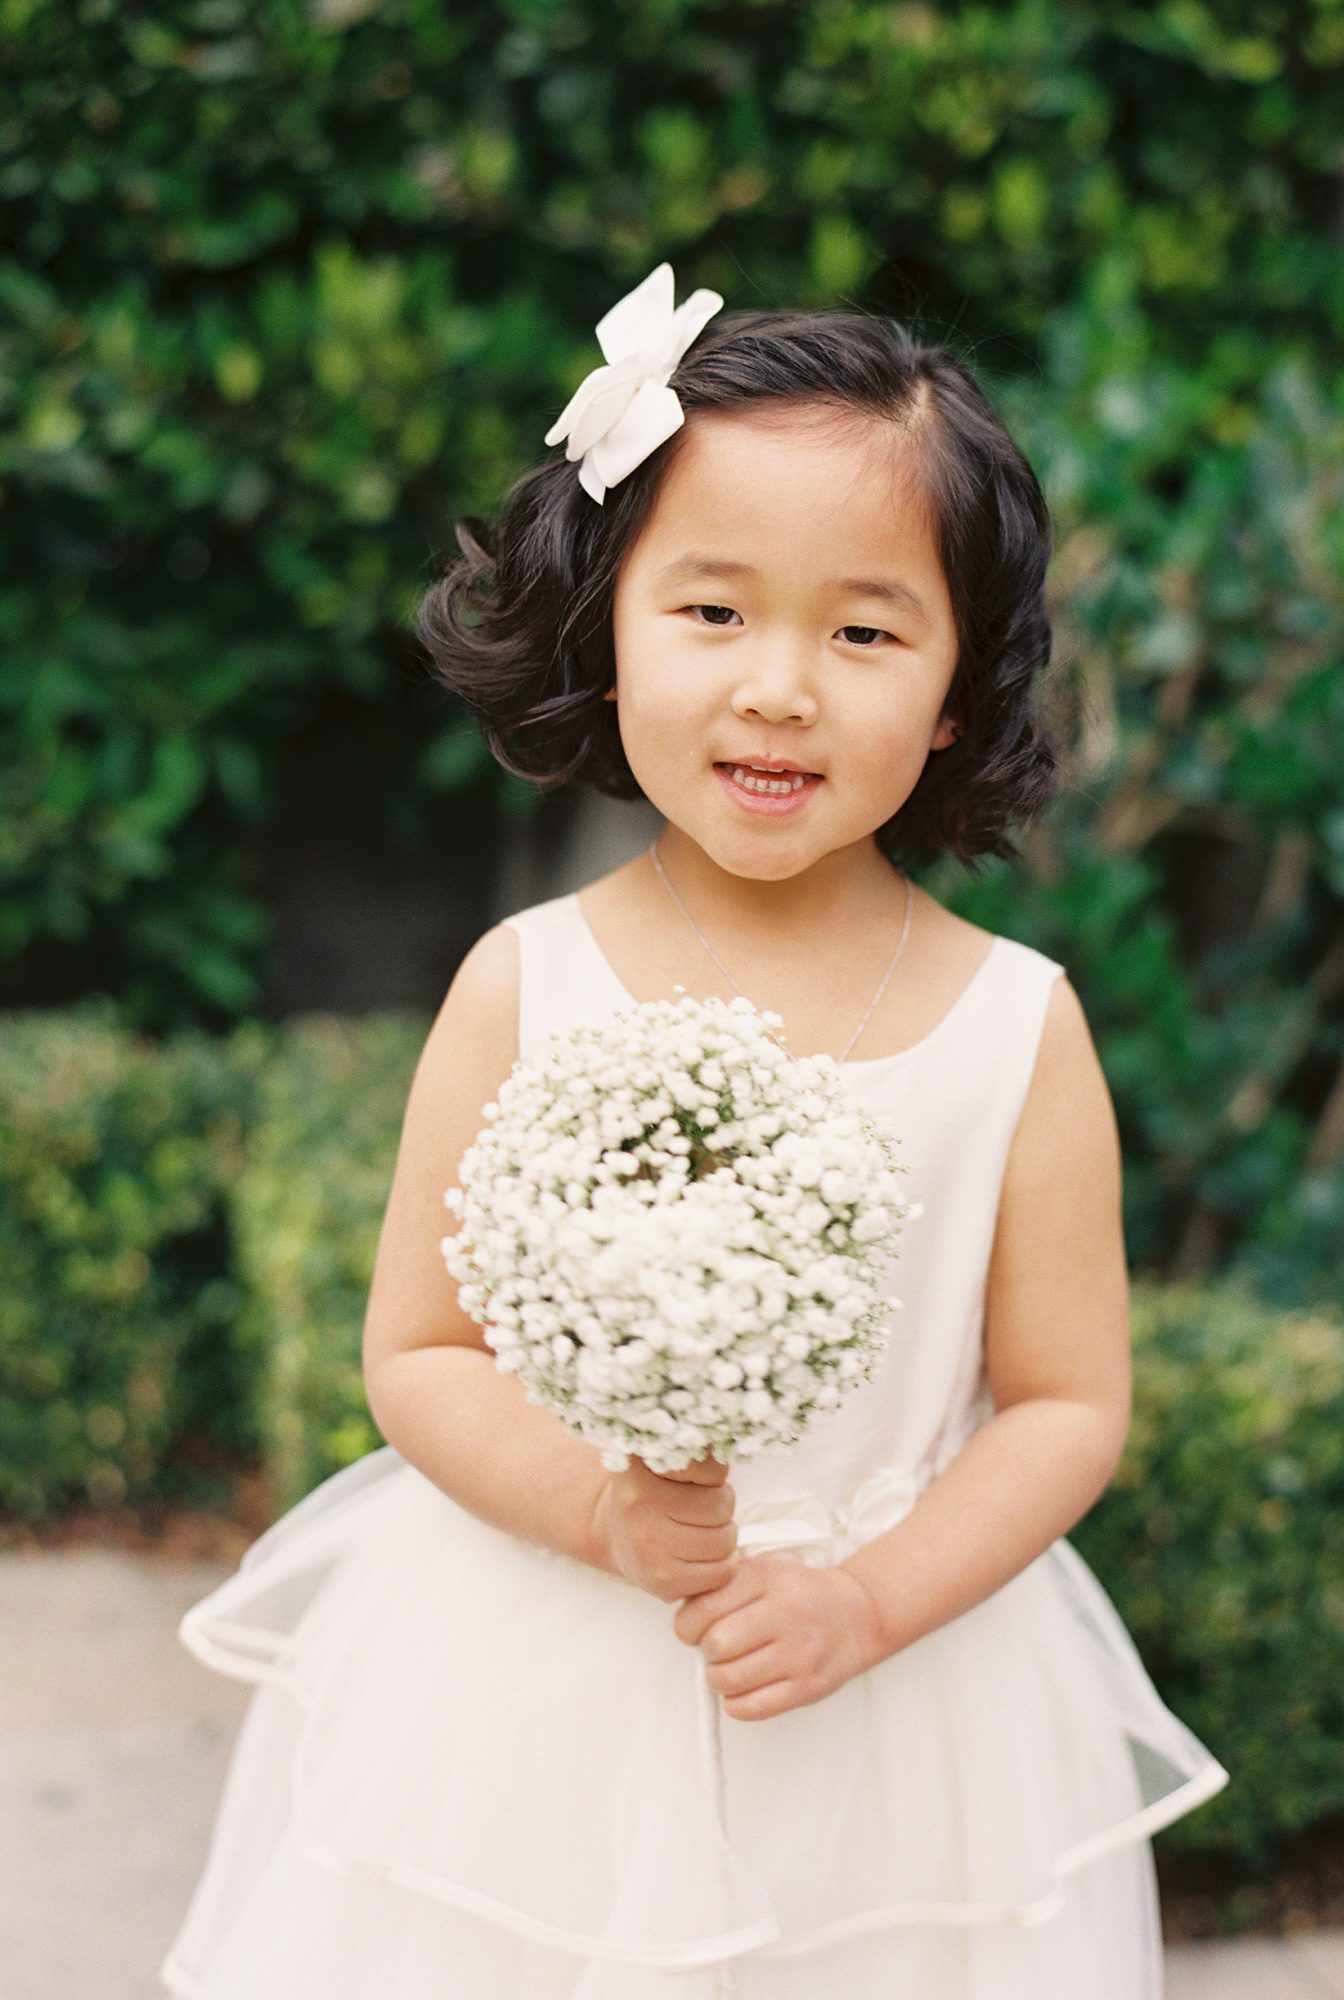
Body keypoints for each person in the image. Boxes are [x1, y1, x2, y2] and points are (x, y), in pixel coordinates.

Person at [161, 263, 1228, 2000]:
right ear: (607, 628)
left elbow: (1064, 1399)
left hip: (892, 1713)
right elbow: (421, 1351)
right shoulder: (527, 985)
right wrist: (599, 1514)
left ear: (959, 686)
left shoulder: (1013, 1027)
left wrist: (870, 1600)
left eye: (866, 631)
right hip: (544, 1682)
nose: (781, 688)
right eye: (714, 613)